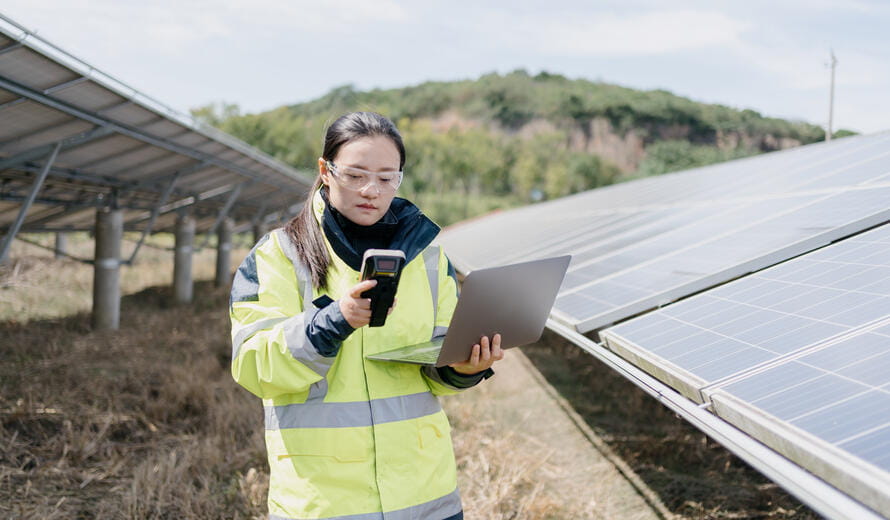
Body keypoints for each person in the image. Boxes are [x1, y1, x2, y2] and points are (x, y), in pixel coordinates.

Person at [230, 111, 504, 520]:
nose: (371, 190)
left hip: (425, 495)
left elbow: (434, 369)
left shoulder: (428, 257)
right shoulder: (279, 255)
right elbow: (253, 365)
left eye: (386, 177)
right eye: (355, 176)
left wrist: (464, 368)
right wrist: (333, 321)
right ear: (326, 171)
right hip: (324, 502)